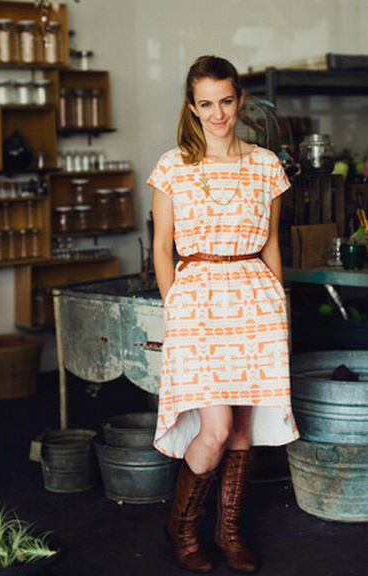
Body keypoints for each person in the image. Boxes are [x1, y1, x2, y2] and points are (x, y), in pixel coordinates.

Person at [147, 55, 299, 574]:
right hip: (197, 302)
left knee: (241, 429)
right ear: (192, 107)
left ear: (240, 100)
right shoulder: (173, 166)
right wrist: (176, 308)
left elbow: (271, 243)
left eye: (226, 101)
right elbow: (162, 249)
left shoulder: (267, 165)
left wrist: (279, 307)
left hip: (256, 300)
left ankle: (228, 531)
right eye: (206, 104)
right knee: (214, 429)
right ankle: (182, 526)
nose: (218, 114)